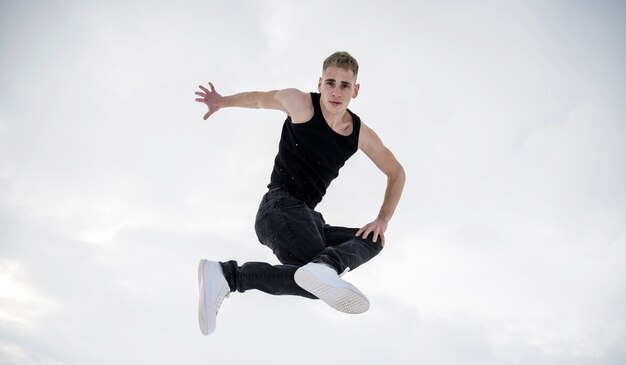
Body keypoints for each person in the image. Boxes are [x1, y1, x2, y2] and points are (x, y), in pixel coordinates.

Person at [194, 51, 405, 335]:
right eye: (330, 83)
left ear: (355, 90)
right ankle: (233, 275)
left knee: (372, 241)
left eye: (345, 85)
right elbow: (258, 98)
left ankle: (228, 275)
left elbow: (396, 172)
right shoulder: (300, 103)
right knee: (320, 281)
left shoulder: (359, 133)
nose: (336, 92)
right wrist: (221, 102)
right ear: (320, 83)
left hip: (310, 220)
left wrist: (382, 219)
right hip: (278, 208)